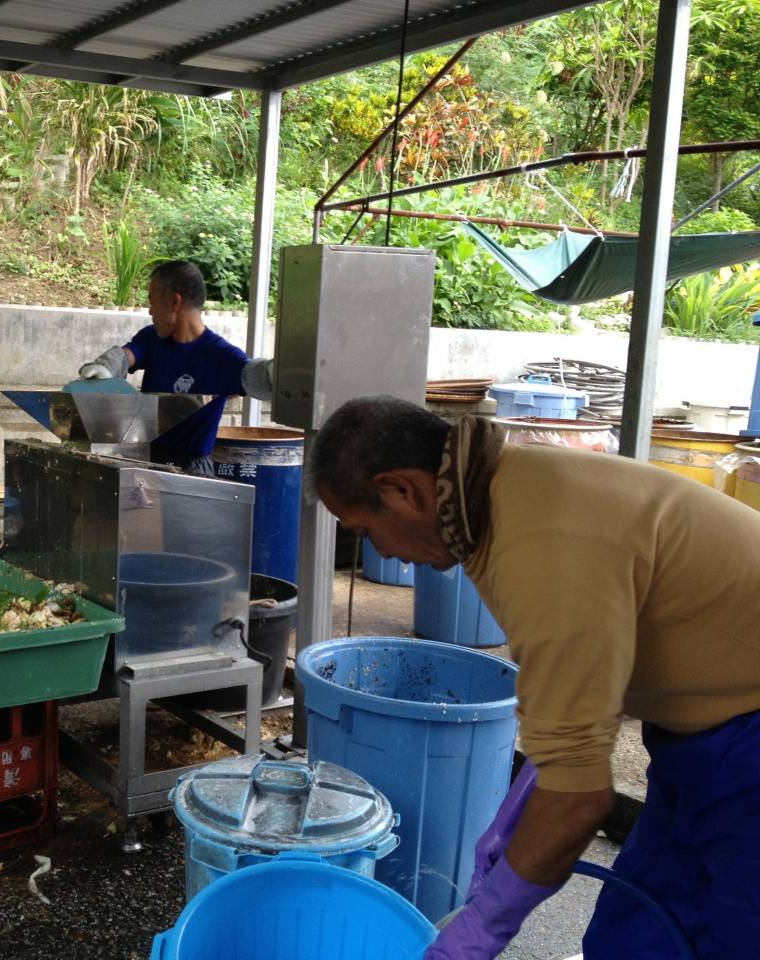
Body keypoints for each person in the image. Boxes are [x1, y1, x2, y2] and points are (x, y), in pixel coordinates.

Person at [309, 396, 760, 960]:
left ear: (404, 490)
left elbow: (578, 799)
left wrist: (481, 930)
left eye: (365, 529)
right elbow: (584, 682)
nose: (384, 554)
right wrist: (523, 807)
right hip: (703, 740)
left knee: (738, 935)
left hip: (748, 741)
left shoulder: (539, 541)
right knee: (639, 929)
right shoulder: (502, 494)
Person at [78, 260, 272, 476]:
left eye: (152, 301)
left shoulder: (221, 357)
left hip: (192, 474)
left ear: (174, 301)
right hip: (145, 462)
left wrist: (283, 373)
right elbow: (126, 356)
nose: (150, 310)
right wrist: (105, 367)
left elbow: (255, 375)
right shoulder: (151, 338)